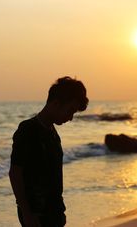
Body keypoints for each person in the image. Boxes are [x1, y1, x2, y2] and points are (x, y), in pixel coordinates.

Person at [9, 76, 89, 227]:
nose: (71, 118)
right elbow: (15, 173)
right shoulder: (28, 130)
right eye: (70, 111)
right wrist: (27, 214)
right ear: (56, 103)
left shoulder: (52, 133)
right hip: (37, 215)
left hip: (55, 212)